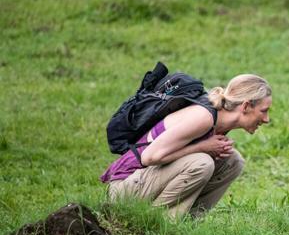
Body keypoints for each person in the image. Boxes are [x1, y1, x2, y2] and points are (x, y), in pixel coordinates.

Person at [100, 74, 272, 219]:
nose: (267, 119)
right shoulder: (203, 117)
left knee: (232, 161)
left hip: (144, 182)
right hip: (124, 189)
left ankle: (184, 224)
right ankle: (154, 223)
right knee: (201, 162)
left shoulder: (220, 121)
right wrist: (203, 147)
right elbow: (149, 157)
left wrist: (205, 147)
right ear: (246, 106)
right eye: (264, 111)